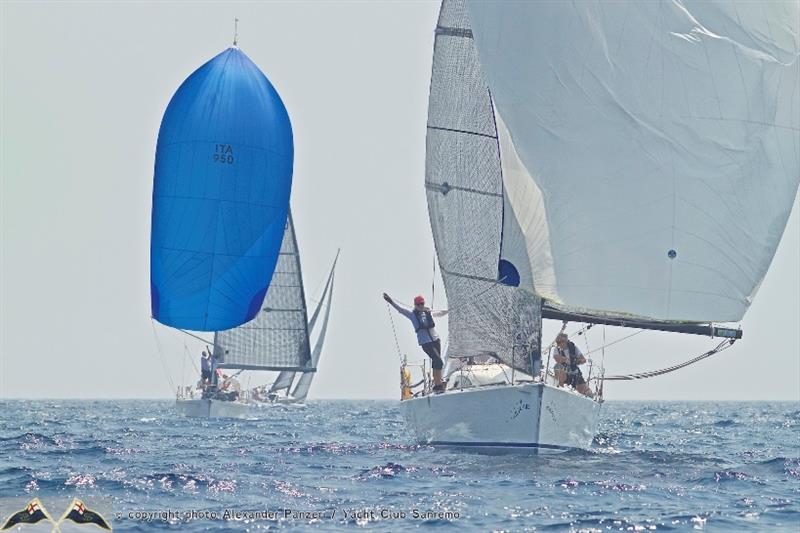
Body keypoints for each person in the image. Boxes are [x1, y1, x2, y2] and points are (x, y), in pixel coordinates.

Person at [383, 293, 448, 392]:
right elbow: (401, 310)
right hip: (425, 342)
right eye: (418, 304)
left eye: (422, 303)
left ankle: (438, 384)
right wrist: (391, 301)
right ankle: (438, 383)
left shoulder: (428, 312)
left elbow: (439, 313)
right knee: (438, 360)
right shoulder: (412, 315)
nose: (421, 306)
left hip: (435, 339)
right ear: (415, 305)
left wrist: (449, 310)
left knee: (437, 363)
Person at [552, 333, 593, 397]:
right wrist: (565, 359)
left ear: (566, 341)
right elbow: (556, 358)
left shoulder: (573, 347)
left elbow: (583, 359)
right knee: (558, 368)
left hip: (575, 373)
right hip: (564, 373)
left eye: (561, 342)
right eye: (558, 342)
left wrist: (578, 361)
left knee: (588, 393)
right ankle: (560, 391)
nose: (559, 344)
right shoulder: (556, 349)